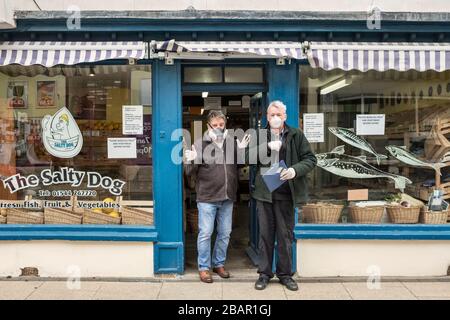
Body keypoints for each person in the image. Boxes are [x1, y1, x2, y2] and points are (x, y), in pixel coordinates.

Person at [247, 100, 317, 291]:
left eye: (278, 114)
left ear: (285, 116)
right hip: (265, 194)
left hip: (287, 194)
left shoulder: (296, 134)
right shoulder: (261, 135)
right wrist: (267, 148)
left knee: (285, 237)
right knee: (265, 236)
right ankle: (264, 274)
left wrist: (294, 170)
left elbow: (311, 159)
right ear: (267, 117)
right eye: (271, 115)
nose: (275, 118)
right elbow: (247, 158)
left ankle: (285, 274)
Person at [184, 110, 249, 283]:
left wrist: (241, 151)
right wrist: (190, 159)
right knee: (205, 233)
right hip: (207, 197)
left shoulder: (231, 143)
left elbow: (238, 166)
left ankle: (218, 264)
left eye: (221, 125)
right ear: (208, 126)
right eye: (215, 125)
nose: (219, 128)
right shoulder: (200, 145)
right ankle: (204, 268)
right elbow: (189, 172)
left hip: (227, 197)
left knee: (225, 233)